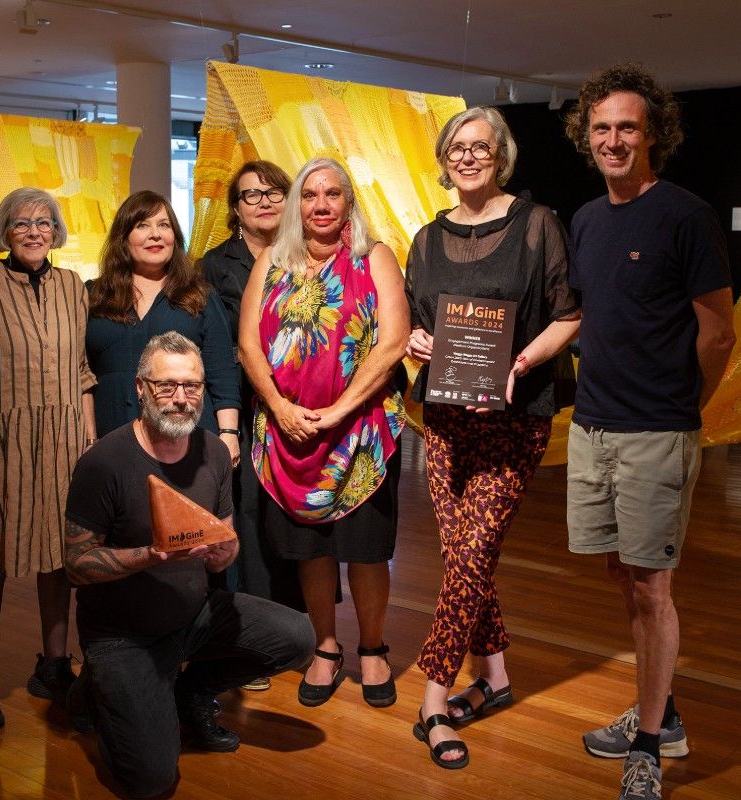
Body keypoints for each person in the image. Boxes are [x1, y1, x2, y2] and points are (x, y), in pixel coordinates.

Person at [563, 64, 735, 800]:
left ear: (653, 133)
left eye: (627, 126)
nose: (613, 139)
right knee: (625, 576)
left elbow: (720, 331)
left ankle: (647, 743)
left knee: (653, 588)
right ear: (586, 136)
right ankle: (662, 713)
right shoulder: (586, 218)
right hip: (592, 425)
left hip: (656, 431)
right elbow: (583, 318)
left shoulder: (685, 215)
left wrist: (679, 405)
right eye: (601, 128)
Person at [403, 106, 581, 769]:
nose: (468, 156)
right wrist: (419, 342)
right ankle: (497, 678)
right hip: (445, 420)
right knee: (463, 558)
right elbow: (419, 327)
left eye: (481, 146)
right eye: (457, 146)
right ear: (444, 159)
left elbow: (570, 314)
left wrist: (522, 361)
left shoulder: (538, 225)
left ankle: (433, 695)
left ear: (501, 156)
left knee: (472, 551)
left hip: (514, 417)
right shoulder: (426, 239)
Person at [63, 332, 314, 799]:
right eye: (166, 386)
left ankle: (190, 690)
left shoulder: (214, 452)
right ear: (140, 388)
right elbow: (76, 564)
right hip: (124, 634)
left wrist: (226, 551)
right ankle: (98, 684)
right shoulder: (103, 463)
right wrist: (149, 555)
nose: (181, 399)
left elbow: (226, 536)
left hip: (192, 614)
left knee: (299, 638)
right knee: (153, 781)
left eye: (192, 386)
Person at [237, 156, 409, 710]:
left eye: (332, 194)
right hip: (289, 435)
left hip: (360, 432)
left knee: (364, 550)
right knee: (310, 551)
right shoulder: (271, 262)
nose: (320, 205)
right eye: (310, 195)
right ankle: (327, 647)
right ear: (298, 205)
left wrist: (338, 411)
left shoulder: (373, 257)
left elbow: (392, 344)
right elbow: (248, 347)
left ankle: (374, 647)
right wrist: (280, 407)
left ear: (348, 204)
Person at [0, 187, 97, 731]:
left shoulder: (74, 287)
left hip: (63, 447)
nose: (33, 230)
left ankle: (54, 666)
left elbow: (81, 376)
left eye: (44, 221)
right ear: (4, 232)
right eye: (21, 223)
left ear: (57, 230)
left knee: (58, 558)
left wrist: (90, 444)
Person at [199, 160, 295, 691]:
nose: (262, 201)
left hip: (298, 408)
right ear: (235, 209)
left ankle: (297, 631)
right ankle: (247, 640)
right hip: (242, 410)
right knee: (246, 522)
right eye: (250, 194)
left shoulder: (307, 256)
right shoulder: (215, 267)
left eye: (273, 191)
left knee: (295, 519)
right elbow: (214, 348)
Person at [87, 190, 240, 460]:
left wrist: (228, 433)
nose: (155, 234)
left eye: (164, 225)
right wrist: (88, 439)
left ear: (175, 237)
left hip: (188, 439)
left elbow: (222, 372)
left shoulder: (201, 296)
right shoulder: (92, 296)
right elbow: (80, 375)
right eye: (142, 225)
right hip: (112, 437)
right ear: (123, 238)